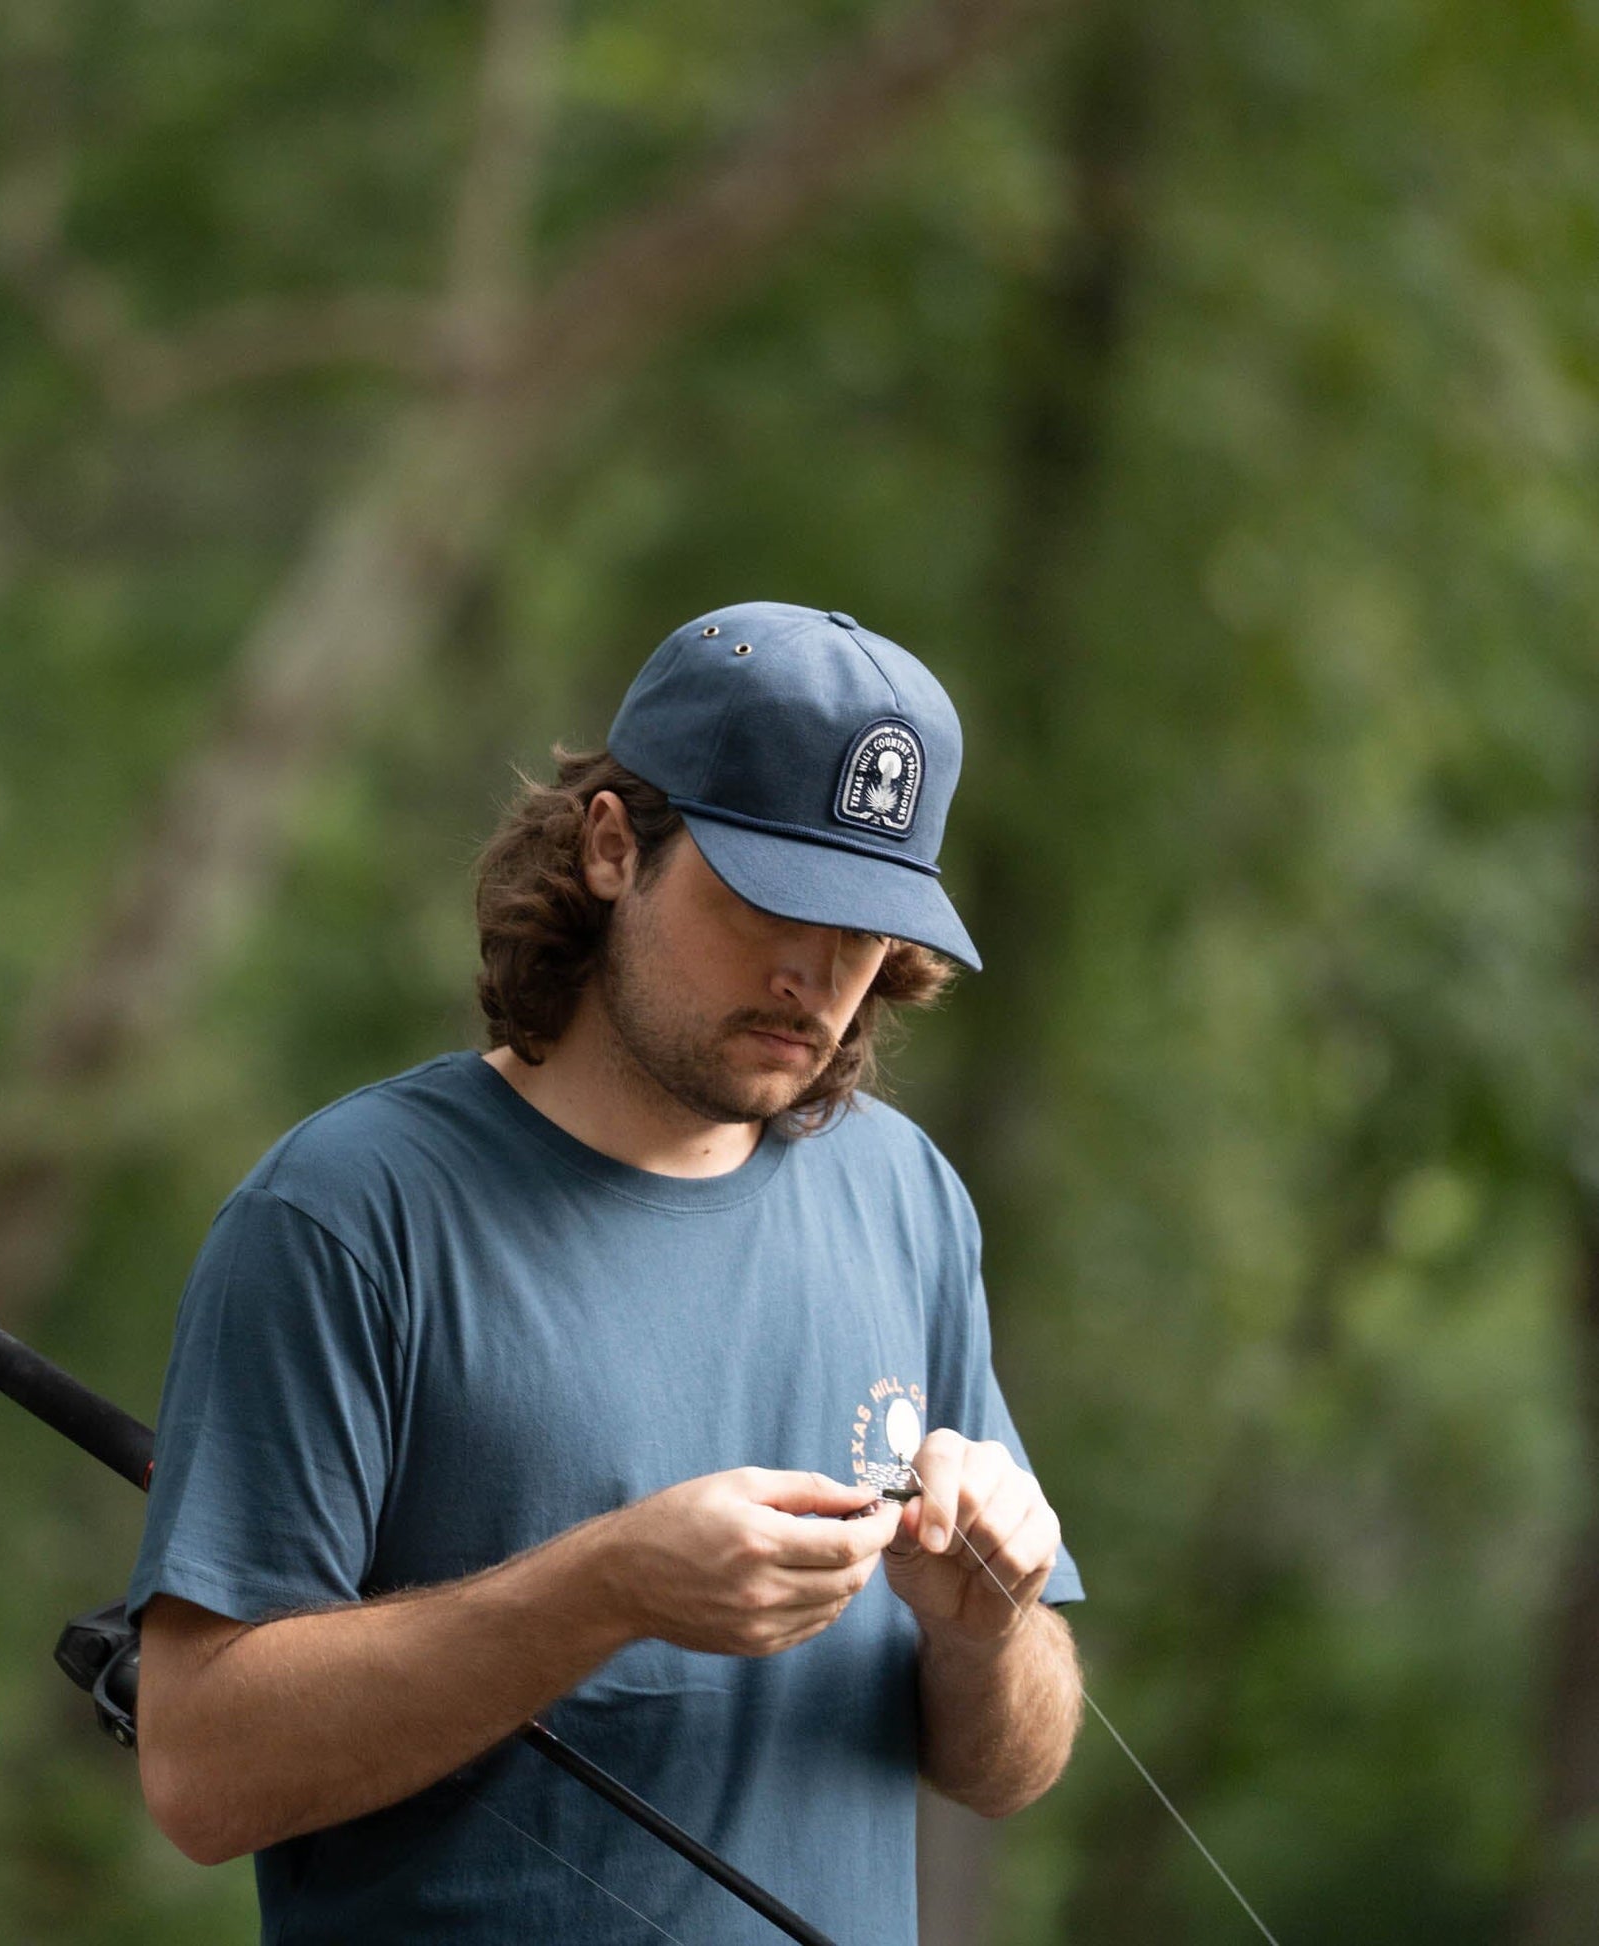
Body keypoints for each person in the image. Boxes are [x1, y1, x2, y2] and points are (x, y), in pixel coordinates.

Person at [127, 601, 1085, 1943]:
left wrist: (988, 1625)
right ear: (610, 844)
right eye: (766, 898)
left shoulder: (906, 1197)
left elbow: (1007, 1764)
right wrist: (605, 1587)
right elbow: (199, 1767)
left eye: (863, 925)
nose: (813, 975)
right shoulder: (347, 1211)